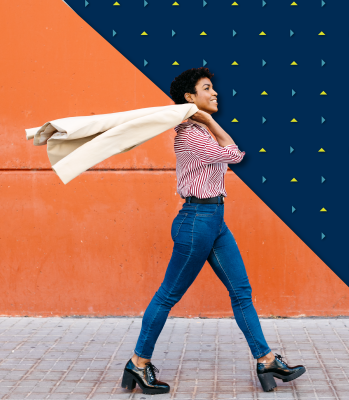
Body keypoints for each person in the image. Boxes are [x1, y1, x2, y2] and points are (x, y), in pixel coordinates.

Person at [121, 67, 305, 395]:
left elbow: (230, 150)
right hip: (196, 222)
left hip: (215, 221)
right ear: (190, 98)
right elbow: (234, 153)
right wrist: (207, 121)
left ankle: (265, 360)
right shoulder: (191, 134)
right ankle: (138, 362)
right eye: (207, 88)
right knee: (167, 295)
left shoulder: (201, 131)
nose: (215, 92)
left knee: (241, 292)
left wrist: (207, 121)